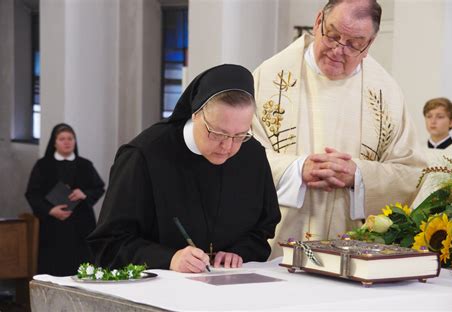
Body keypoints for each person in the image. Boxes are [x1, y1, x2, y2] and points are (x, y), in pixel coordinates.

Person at [251, 0, 425, 257]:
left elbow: (411, 174)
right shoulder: (269, 78)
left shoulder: (386, 93)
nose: (338, 50)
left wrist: (360, 176)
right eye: (332, 35)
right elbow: (239, 154)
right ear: (318, 21)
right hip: (276, 244)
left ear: (369, 44)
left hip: (356, 248)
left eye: (353, 44)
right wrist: (297, 170)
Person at [88, 64, 281, 273]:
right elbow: (108, 245)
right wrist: (169, 259)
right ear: (196, 114)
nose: (227, 146)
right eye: (217, 133)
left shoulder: (252, 155)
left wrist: (240, 251)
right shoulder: (144, 156)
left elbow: (263, 228)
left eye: (240, 135)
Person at [25, 123, 105, 276]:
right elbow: (32, 193)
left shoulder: (85, 165)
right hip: (53, 227)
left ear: (75, 141)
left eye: (70, 138)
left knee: (82, 267)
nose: (67, 142)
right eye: (62, 139)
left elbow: (98, 187)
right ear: (54, 143)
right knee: (53, 267)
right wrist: (50, 210)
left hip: (81, 226)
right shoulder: (43, 165)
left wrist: (84, 194)